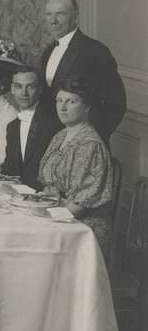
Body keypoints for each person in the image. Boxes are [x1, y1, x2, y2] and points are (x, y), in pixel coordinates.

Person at [38, 76, 114, 256]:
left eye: (71, 101)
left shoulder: (90, 144)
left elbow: (82, 203)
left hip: (82, 228)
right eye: (59, 101)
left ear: (86, 106)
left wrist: (48, 217)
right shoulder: (60, 136)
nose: (62, 107)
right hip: (60, 216)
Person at [40, 0, 127, 143]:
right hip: (51, 139)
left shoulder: (95, 51)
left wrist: (94, 136)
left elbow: (117, 101)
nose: (53, 21)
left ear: (76, 16)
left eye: (60, 14)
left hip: (83, 141)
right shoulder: (48, 51)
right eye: (49, 14)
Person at [3, 66, 60, 190]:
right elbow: (9, 170)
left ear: (40, 89)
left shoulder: (53, 124)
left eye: (30, 86)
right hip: (17, 199)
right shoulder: (12, 127)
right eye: (18, 86)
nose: (24, 93)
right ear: (12, 89)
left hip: (44, 199)